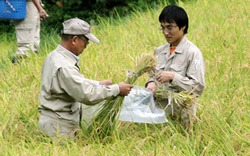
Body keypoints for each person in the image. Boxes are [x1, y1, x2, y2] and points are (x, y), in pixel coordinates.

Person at [38, 17, 133, 139]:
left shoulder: (54, 56)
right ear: (74, 40)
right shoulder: (64, 66)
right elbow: (86, 95)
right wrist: (117, 89)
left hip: (55, 122)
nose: (86, 46)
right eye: (86, 41)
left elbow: (73, 83)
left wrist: (98, 84)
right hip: (58, 127)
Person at [146, 5, 205, 132]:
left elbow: (198, 87)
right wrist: (151, 83)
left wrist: (173, 77)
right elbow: (152, 75)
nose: (165, 32)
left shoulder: (193, 53)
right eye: (162, 28)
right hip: (159, 117)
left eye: (170, 27)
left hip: (181, 119)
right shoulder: (159, 51)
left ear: (183, 27)